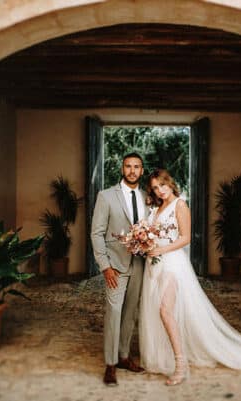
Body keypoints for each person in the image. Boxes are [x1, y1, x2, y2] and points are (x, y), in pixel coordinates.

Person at [140, 169, 241, 386]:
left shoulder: (180, 205)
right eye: (155, 187)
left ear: (170, 183)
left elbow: (184, 239)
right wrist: (145, 243)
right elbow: (154, 235)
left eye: (162, 185)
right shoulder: (156, 208)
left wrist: (161, 250)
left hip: (172, 264)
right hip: (154, 264)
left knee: (165, 310)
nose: (160, 190)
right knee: (158, 310)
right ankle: (163, 355)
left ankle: (180, 365)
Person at [91, 152, 149, 386]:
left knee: (131, 313)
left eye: (137, 167)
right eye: (128, 166)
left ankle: (124, 356)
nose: (132, 170)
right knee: (114, 312)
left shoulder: (147, 197)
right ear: (122, 168)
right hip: (115, 265)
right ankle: (110, 364)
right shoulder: (106, 196)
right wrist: (105, 266)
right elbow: (96, 233)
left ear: (142, 171)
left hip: (140, 264)